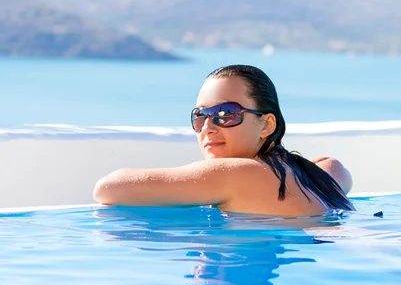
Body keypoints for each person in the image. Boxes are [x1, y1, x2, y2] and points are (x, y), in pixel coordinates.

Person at [93, 64, 355, 216]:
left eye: (225, 114)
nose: (207, 127)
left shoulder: (237, 174)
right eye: (200, 116)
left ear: (267, 124)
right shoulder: (313, 176)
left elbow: (107, 188)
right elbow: (333, 166)